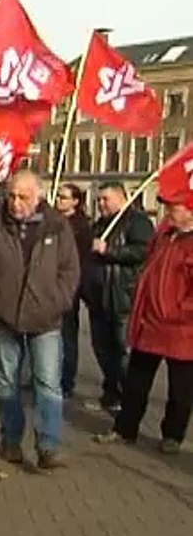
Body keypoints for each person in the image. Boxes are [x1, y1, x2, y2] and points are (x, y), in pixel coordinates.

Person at [0, 170, 79, 471]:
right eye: (11, 195)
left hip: (46, 317)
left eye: (23, 197)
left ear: (38, 196)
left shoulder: (58, 226)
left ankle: (48, 446)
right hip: (6, 316)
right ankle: (11, 439)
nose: (16, 202)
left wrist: (59, 300)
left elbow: (70, 270)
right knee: (6, 382)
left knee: (48, 383)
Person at [94, 191, 193, 452]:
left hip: (181, 329)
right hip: (149, 322)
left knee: (181, 389)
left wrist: (180, 311)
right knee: (136, 381)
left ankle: (172, 435)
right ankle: (125, 429)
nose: (168, 210)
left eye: (174, 206)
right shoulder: (163, 234)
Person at [83, 182, 154, 413]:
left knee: (123, 353)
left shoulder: (138, 222)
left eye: (106, 199)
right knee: (102, 349)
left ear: (122, 198)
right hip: (98, 298)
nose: (101, 204)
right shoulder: (99, 225)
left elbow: (144, 251)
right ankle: (110, 393)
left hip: (123, 297)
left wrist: (109, 252)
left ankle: (129, 401)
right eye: (99, 200)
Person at [54, 183, 92, 397]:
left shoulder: (80, 227)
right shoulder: (52, 220)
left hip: (68, 287)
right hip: (46, 285)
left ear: (75, 202)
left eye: (64, 197)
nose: (60, 200)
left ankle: (67, 381)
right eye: (58, 196)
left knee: (67, 335)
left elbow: (79, 259)